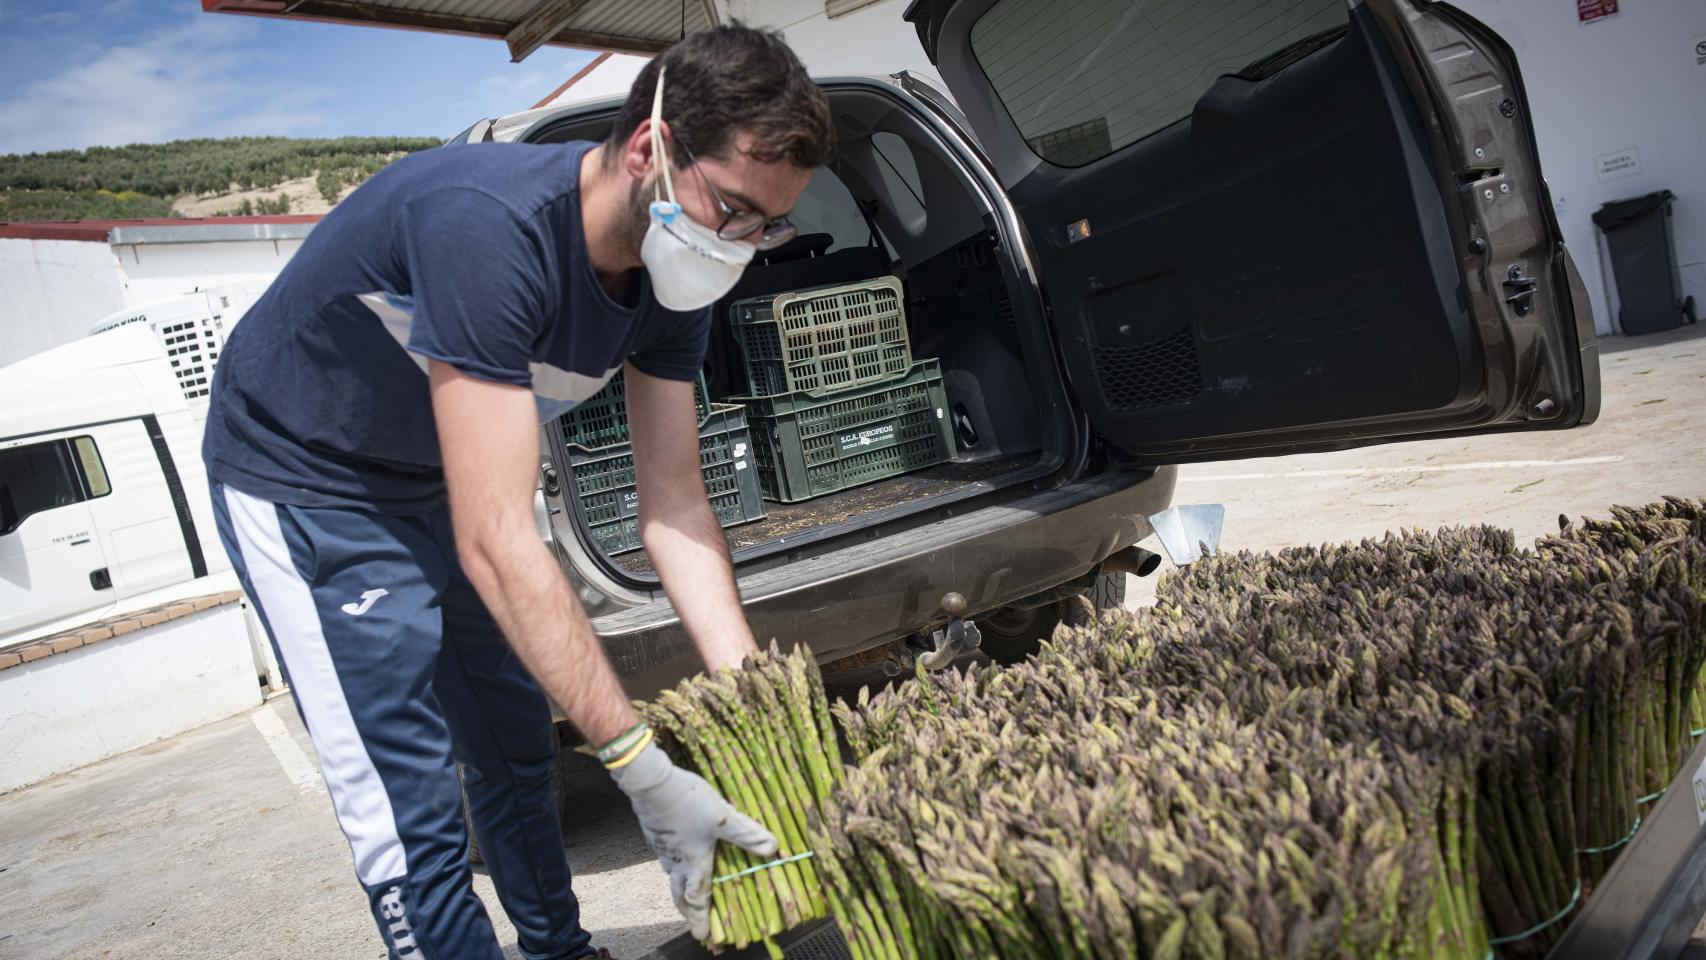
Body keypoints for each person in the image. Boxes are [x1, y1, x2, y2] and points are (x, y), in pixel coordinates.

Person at [200, 25, 833, 960]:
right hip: (307, 480)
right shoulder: (488, 229)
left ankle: (561, 950)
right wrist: (640, 765)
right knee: (407, 803)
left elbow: (676, 509)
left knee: (512, 748)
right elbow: (498, 538)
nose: (743, 243)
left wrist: (759, 703)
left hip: (436, 477)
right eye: (734, 208)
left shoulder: (675, 281)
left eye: (766, 223)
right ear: (651, 150)